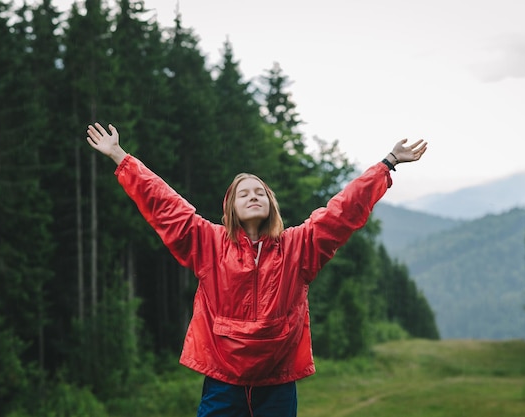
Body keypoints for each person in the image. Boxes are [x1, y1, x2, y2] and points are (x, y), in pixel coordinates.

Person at [86, 122, 428, 417]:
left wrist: (388, 163)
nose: (253, 196)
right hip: (222, 380)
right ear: (231, 207)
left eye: (260, 192)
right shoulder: (209, 243)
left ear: (271, 204)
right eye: (243, 193)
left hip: (277, 384)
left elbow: (343, 211)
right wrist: (120, 156)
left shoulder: (300, 246)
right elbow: (165, 205)